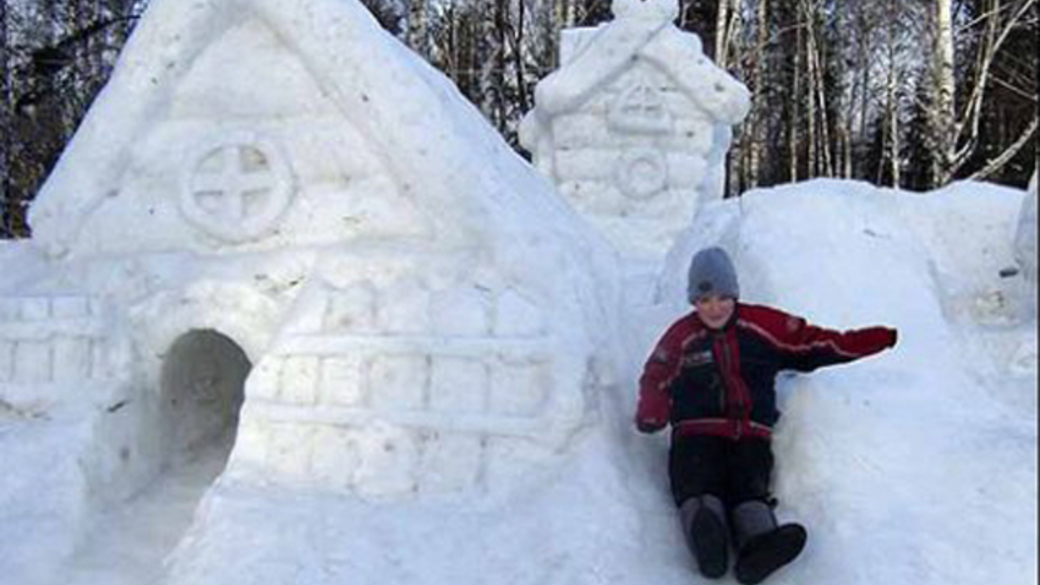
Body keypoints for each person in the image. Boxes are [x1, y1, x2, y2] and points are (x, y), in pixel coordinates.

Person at [635, 246, 897, 585]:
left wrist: (864, 341)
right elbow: (656, 374)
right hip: (696, 431)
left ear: (735, 294)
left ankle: (758, 546)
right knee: (697, 479)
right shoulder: (682, 336)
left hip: (750, 434)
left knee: (750, 486)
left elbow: (813, 344)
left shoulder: (762, 325)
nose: (714, 308)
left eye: (722, 298)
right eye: (704, 300)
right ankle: (707, 538)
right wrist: (652, 410)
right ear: (693, 302)